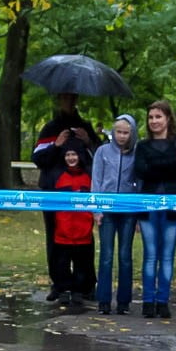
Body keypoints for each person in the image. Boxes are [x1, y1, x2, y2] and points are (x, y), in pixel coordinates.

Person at [32, 93, 102, 302]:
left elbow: (101, 156)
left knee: (84, 238)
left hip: (82, 189)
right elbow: (37, 159)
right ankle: (60, 284)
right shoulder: (50, 128)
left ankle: (86, 285)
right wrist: (56, 145)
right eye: (65, 98)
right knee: (55, 240)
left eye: (72, 98)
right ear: (59, 100)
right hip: (53, 191)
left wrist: (89, 141)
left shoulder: (85, 127)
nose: (69, 102)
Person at [133, 100, 176, 319]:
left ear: (168, 118)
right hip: (147, 206)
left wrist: (157, 165)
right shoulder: (142, 146)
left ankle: (163, 301)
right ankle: (148, 301)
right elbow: (141, 171)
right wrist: (169, 163)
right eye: (151, 117)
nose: (154, 121)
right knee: (150, 254)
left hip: (174, 207)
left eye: (158, 116)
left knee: (167, 255)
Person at [92, 114, 139, 315]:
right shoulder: (102, 152)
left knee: (125, 255)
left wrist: (138, 213)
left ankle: (123, 301)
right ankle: (103, 299)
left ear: (132, 134)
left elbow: (140, 185)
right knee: (106, 255)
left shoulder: (137, 153)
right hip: (107, 209)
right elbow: (96, 180)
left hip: (128, 211)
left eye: (125, 132)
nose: (121, 136)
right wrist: (96, 210)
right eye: (118, 132)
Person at [48, 140, 95, 306]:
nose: (71, 158)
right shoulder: (58, 176)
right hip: (63, 230)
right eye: (68, 154)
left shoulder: (88, 176)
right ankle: (63, 289)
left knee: (82, 264)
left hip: (83, 230)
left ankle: (78, 291)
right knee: (62, 264)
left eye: (74, 154)